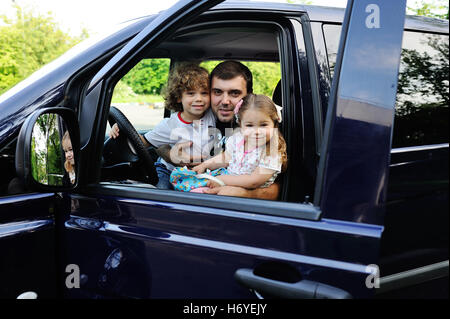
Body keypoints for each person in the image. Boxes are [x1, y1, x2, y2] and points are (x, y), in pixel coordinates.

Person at [159, 60, 281, 200]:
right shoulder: (198, 114)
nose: (224, 101)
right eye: (217, 92)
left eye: (234, 93)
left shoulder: (261, 130)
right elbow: (158, 142)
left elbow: (276, 188)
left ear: (248, 96)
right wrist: (170, 154)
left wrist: (245, 193)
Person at [109, 63, 215, 189]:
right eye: (191, 93)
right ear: (178, 97)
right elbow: (142, 142)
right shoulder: (169, 125)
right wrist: (121, 128)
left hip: (199, 172)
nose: (199, 99)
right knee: (162, 191)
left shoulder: (211, 115)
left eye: (204, 93)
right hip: (168, 170)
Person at [192, 94, 287, 191]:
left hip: (246, 193)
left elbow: (253, 181)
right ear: (241, 125)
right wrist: (205, 165)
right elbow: (225, 157)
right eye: (249, 125)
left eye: (263, 125)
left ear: (274, 125)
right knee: (189, 183)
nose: (257, 132)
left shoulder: (271, 151)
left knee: (199, 192)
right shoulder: (238, 140)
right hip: (226, 182)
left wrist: (223, 180)